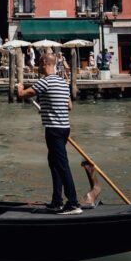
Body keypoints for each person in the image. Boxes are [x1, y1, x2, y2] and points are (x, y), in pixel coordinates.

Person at [17, 52, 82, 215]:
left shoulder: (44, 82)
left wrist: (19, 87)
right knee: (54, 164)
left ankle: (73, 203)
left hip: (53, 129)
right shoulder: (62, 82)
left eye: (39, 62)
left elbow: (23, 94)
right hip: (64, 128)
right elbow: (69, 106)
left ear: (45, 63)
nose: (38, 65)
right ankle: (57, 201)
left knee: (61, 165)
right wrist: (49, 108)